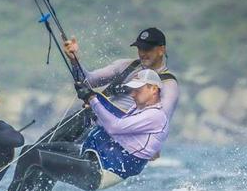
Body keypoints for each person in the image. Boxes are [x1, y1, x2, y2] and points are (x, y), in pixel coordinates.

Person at [0, 69, 169, 191]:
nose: (133, 93)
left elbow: (117, 127)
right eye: (132, 90)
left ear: (154, 89)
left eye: (138, 90)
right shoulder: (136, 109)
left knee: (34, 156)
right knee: (30, 150)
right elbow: (107, 120)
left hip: (99, 172)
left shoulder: (156, 116)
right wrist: (92, 103)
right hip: (87, 156)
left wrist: (93, 100)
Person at [45, 27, 179, 144]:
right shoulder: (126, 65)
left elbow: (159, 122)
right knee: (46, 144)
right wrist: (74, 60)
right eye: (140, 48)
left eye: (147, 49)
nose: (142, 53)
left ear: (161, 50)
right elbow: (87, 81)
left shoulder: (168, 85)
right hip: (91, 120)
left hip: (117, 137)